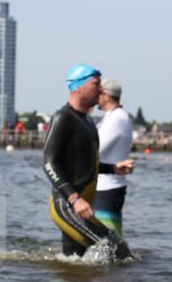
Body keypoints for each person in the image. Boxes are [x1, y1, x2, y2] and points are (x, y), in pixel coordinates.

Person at [43, 64, 134, 259]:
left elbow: (86, 164)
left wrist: (113, 168)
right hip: (68, 206)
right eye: (96, 84)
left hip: (82, 205)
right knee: (118, 251)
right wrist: (74, 199)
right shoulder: (63, 118)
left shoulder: (88, 120)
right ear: (78, 87)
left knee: (73, 261)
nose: (100, 90)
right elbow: (49, 163)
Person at [93, 79, 133, 235]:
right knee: (102, 240)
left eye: (99, 92)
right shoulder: (111, 116)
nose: (96, 95)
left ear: (107, 95)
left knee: (107, 241)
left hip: (108, 186)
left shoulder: (117, 118)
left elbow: (96, 150)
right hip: (104, 184)